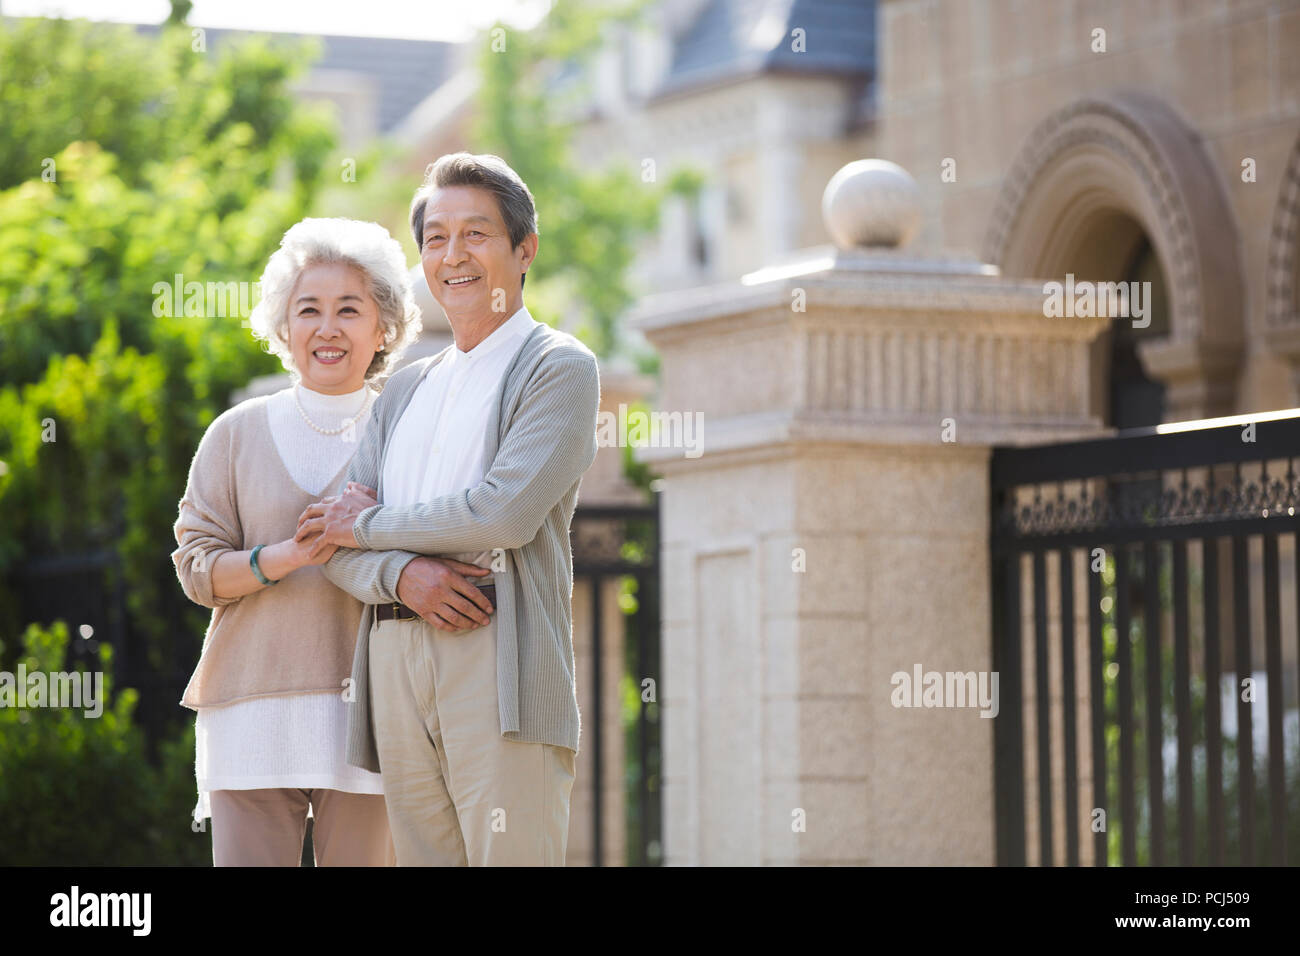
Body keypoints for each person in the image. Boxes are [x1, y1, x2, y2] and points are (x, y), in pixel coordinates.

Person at [296, 152, 600, 866]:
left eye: (476, 234)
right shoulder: (401, 391)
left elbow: (501, 515)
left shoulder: (558, 367)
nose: (452, 255)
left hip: (497, 653)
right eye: (436, 238)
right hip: (394, 659)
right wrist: (401, 577)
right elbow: (332, 550)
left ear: (524, 250)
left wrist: (367, 529)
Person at [172, 216, 482, 866]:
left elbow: (448, 550)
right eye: (309, 309)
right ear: (286, 326)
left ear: (385, 326)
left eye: (350, 308)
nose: (328, 327)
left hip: (376, 722)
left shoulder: (412, 431)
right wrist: (291, 554)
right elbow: (197, 571)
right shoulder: (235, 434)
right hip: (250, 719)